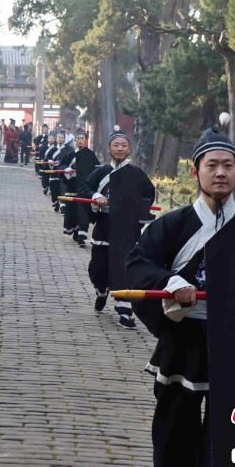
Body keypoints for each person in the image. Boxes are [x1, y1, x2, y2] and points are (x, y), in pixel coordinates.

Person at [125, 127, 235, 467]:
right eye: (212, 165)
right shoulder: (174, 224)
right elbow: (137, 263)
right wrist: (170, 283)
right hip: (184, 340)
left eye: (228, 165)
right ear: (195, 171)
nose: (220, 172)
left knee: (232, 436)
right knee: (175, 433)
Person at [79, 130, 155, 329]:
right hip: (104, 227)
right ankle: (101, 291)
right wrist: (95, 196)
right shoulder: (101, 172)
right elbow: (85, 188)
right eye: (116, 145)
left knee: (123, 269)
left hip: (126, 230)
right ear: (109, 148)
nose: (120, 148)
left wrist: (138, 215)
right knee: (98, 267)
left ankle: (124, 310)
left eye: (123, 145)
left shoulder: (137, 175)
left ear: (129, 149)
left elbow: (148, 196)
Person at [59, 129, 99, 247]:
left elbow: (97, 169)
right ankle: (75, 231)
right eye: (78, 139)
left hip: (85, 188)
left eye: (82, 139)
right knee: (72, 212)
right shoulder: (70, 154)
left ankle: (82, 236)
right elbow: (62, 165)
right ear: (75, 140)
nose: (80, 141)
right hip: (72, 187)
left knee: (83, 212)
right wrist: (66, 170)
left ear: (85, 140)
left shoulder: (90, 155)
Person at [47, 131, 71, 212]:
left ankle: (62, 205)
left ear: (64, 139)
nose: (60, 139)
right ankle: (56, 202)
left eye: (62, 138)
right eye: (59, 137)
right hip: (54, 173)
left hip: (63, 174)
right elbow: (46, 159)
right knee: (54, 190)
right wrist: (50, 161)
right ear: (56, 139)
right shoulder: (53, 149)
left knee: (63, 189)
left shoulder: (68, 150)